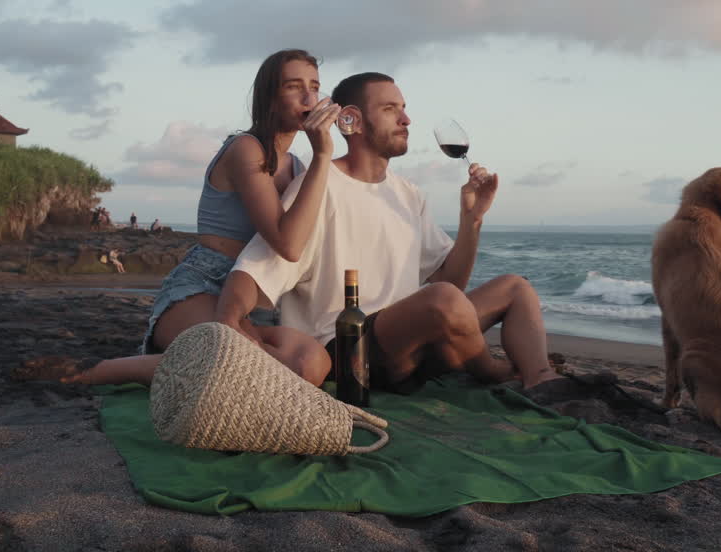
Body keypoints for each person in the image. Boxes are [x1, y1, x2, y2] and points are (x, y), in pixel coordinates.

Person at [216, 73, 563, 391]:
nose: (406, 120)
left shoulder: (408, 193)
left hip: (414, 340)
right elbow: (253, 270)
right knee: (442, 299)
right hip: (349, 348)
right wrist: (231, 323)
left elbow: (452, 279)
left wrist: (471, 220)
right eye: (389, 109)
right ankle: (493, 371)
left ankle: (540, 381)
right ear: (351, 120)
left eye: (404, 109)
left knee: (516, 288)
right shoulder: (319, 187)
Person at [63, 49, 341, 385]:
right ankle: (100, 371)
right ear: (270, 99)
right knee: (251, 370)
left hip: (255, 295)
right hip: (201, 286)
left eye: (314, 86)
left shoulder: (296, 167)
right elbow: (288, 243)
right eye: (294, 86)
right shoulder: (246, 148)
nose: (309, 96)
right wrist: (324, 154)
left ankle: (182, 362)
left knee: (310, 364)